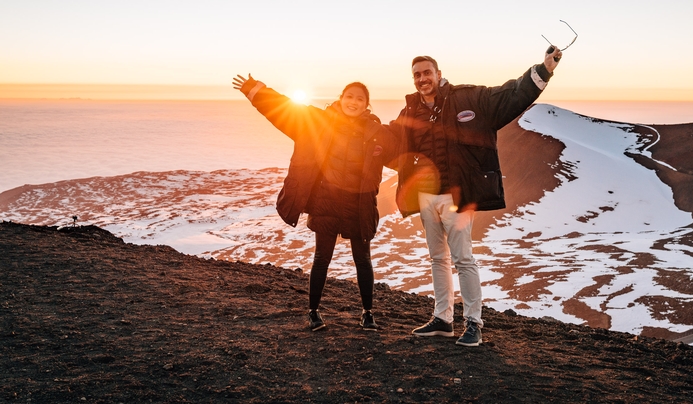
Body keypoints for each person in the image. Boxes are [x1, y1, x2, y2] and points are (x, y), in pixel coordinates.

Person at [391, 46, 562, 346]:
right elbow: (391, 142)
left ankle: (473, 323)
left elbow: (510, 95)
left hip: (458, 196)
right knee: (437, 259)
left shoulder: (468, 98)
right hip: (427, 199)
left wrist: (544, 69)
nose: (422, 79)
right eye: (416, 75)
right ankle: (443, 319)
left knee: (463, 259)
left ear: (439, 74)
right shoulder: (410, 111)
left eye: (427, 72)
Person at [233, 74, 396, 332]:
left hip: (359, 205)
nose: (353, 102)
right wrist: (256, 91)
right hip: (327, 202)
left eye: (360, 99)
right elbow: (285, 111)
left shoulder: (377, 133)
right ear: (341, 99)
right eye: (349, 96)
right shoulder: (320, 122)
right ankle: (313, 312)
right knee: (322, 258)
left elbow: (407, 143)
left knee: (362, 259)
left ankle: (367, 314)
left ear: (367, 104)